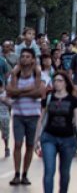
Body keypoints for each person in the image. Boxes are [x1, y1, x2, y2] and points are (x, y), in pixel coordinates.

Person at [34, 71, 77, 193]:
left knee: (65, 172)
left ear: (66, 83)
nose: (57, 83)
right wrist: (36, 139)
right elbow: (42, 119)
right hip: (49, 137)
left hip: (68, 139)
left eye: (60, 80)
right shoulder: (49, 98)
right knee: (49, 171)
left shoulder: (73, 100)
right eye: (55, 80)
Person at [7, 48, 43, 186]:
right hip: (18, 114)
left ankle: (25, 174)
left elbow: (39, 92)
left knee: (29, 145)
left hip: (33, 114)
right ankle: (16, 173)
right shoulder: (15, 74)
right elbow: (11, 91)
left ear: (33, 59)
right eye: (22, 56)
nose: (25, 59)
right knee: (17, 144)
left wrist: (19, 93)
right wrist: (26, 90)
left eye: (28, 56)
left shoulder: (36, 73)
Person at [0, 81, 11, 158]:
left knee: (5, 134)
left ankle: (6, 148)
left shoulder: (6, 94)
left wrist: (5, 100)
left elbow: (11, 104)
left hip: (4, 117)